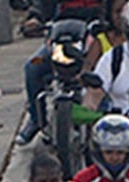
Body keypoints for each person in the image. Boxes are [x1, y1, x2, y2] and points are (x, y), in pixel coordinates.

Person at [17, 0, 107, 144]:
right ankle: (35, 119)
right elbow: (42, 4)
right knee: (32, 67)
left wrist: (108, 22)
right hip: (61, 33)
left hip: (95, 33)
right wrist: (35, 18)